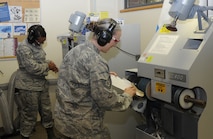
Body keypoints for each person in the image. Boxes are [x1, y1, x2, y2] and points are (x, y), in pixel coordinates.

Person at [54, 18, 136, 139]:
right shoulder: (97, 62)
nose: (116, 45)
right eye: (116, 40)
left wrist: (104, 75)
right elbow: (106, 101)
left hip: (62, 122)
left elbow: (77, 77)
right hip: (83, 129)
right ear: (105, 37)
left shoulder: (75, 51)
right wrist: (127, 96)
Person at [14, 24, 58, 139]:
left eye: (43, 41)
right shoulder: (24, 48)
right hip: (28, 87)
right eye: (40, 42)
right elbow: (32, 67)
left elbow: (39, 61)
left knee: (47, 112)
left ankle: (51, 135)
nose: (41, 44)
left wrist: (49, 63)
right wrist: (48, 66)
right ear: (33, 38)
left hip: (41, 85)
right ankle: (25, 136)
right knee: (29, 115)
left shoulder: (36, 44)